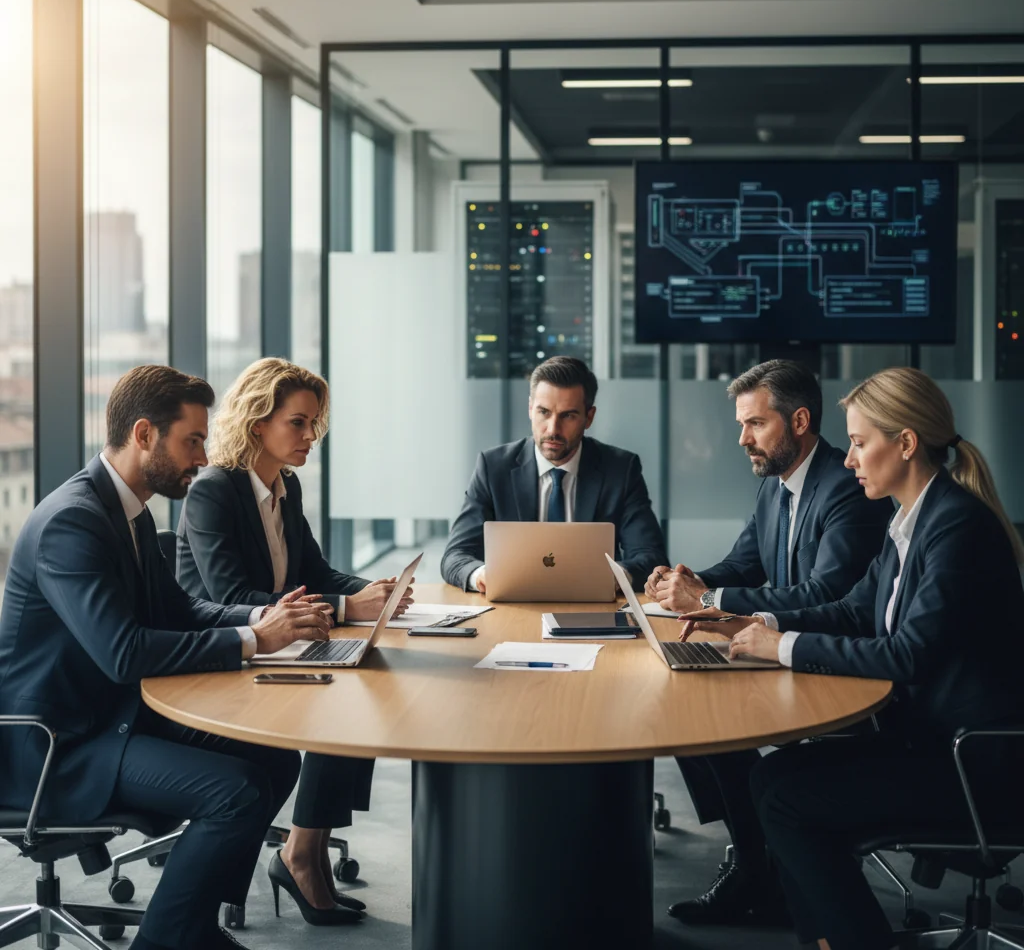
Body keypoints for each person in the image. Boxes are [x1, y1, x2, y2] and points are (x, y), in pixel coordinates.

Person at [682, 366, 1024, 950]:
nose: (848, 459)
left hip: (971, 764)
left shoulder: (957, 528)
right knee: (770, 776)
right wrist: (756, 624)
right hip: (926, 742)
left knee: (788, 802)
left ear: (906, 443)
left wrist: (780, 646)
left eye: (861, 443)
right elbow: (850, 610)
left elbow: (908, 655)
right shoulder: (909, 522)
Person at [0, 365, 336, 950]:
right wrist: (254, 641)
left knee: (276, 757)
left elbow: (179, 608)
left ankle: (193, 925)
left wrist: (263, 619)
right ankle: (167, 940)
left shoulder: (127, 511)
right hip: (57, 746)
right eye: (193, 440)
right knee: (235, 791)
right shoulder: (72, 521)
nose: (204, 457)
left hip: (110, 718)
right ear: (144, 434)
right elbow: (124, 653)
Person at [647, 359, 893, 926]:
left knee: (704, 715)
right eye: (742, 424)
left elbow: (827, 593)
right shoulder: (775, 488)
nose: (743, 439)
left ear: (799, 421)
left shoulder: (846, 488)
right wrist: (685, 584)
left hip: (832, 664)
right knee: (688, 704)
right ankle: (756, 857)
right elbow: (742, 564)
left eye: (756, 424)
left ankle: (761, 866)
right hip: (781, 646)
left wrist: (713, 600)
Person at [177, 357, 411, 926]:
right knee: (345, 699)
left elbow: (317, 573)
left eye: (314, 424)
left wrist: (376, 592)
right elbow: (233, 596)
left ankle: (307, 849)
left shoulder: (286, 486)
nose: (311, 436)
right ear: (259, 423)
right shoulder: (214, 491)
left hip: (277, 645)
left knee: (364, 686)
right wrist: (346, 608)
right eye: (298, 423)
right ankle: (301, 856)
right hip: (221, 653)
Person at [440, 355, 666, 593]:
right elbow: (456, 555)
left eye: (568, 415)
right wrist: (482, 575)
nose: (552, 429)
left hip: (592, 605)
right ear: (530, 409)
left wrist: (614, 576)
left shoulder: (621, 469)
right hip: (513, 605)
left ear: (589, 417)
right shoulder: (493, 467)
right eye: (544, 412)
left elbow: (651, 558)